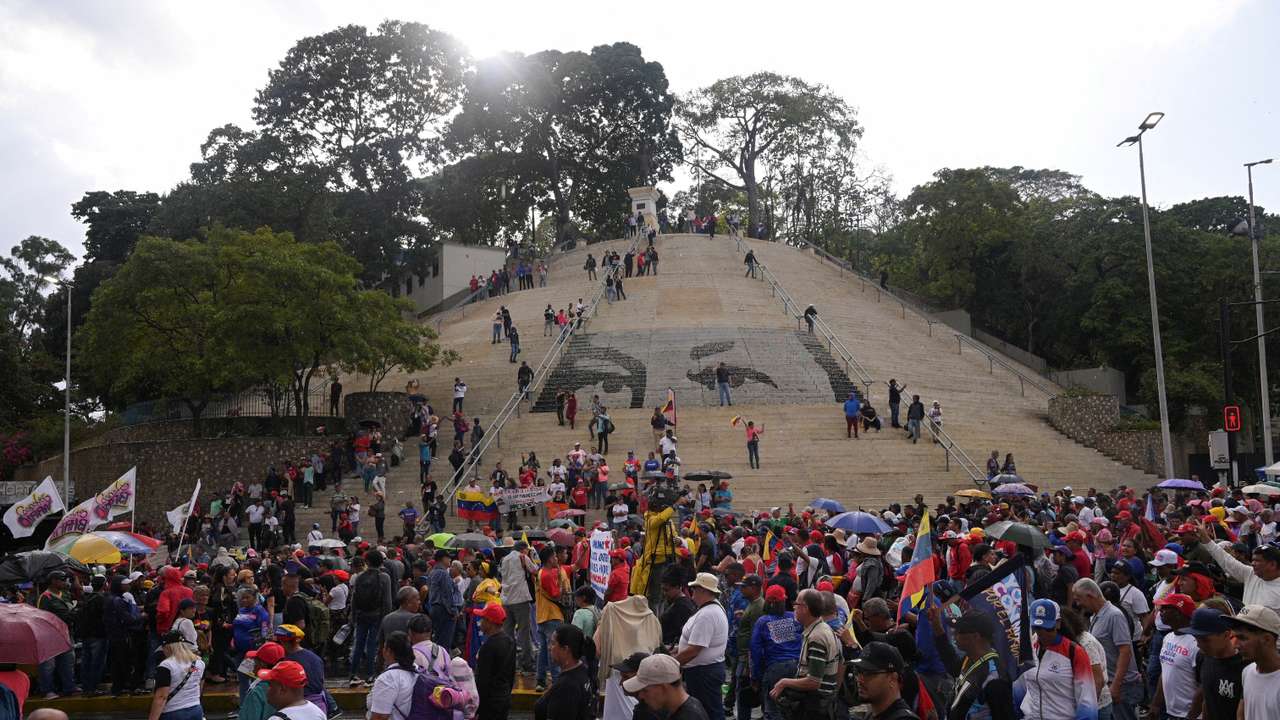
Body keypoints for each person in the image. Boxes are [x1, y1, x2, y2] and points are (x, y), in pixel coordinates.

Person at [925, 607, 1014, 720]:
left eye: (960, 631)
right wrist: (937, 627)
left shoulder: (995, 678)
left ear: (975, 636)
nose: (954, 635)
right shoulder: (971, 658)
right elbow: (952, 665)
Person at [1015, 599, 1097, 720]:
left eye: (1047, 628)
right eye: (1037, 627)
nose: (1042, 633)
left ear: (1058, 623)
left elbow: (1087, 702)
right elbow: (1018, 690)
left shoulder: (1074, 652)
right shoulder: (1028, 650)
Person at [767, 589, 840, 720]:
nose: (794, 608)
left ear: (805, 608)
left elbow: (814, 682)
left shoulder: (817, 637)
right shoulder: (818, 628)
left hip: (815, 706)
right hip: (817, 703)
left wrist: (784, 682)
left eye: (796, 604)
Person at [1074, 579, 1137, 720]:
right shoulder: (1096, 615)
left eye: (1079, 599)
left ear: (1090, 596)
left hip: (1121, 686)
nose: (1078, 604)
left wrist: (1116, 685)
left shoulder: (1114, 615)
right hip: (1109, 683)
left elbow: (1125, 651)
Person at [675, 573, 729, 720]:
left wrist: (672, 664)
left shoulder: (707, 614)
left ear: (704, 590)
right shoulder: (712, 609)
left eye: (695, 589)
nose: (692, 594)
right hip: (705, 670)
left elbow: (694, 650)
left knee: (708, 713)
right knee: (709, 711)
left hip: (703, 673)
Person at [1180, 608, 1244, 720]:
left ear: (1226, 635)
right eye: (1196, 639)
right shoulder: (1203, 657)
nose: (1199, 645)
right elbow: (1207, 699)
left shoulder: (1244, 667)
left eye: (1205, 640)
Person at [1146, 594, 1197, 720]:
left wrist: (1192, 715)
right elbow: (1165, 673)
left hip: (1191, 715)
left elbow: (1204, 685)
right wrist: (1155, 704)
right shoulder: (1168, 637)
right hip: (1171, 713)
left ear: (1179, 613)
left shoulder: (1196, 643)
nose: (1160, 612)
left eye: (1165, 608)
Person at [1225, 604, 1280, 720]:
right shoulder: (1247, 671)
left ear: (1267, 639)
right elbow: (1242, 713)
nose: (1235, 644)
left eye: (1242, 638)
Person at [350, 550, 394, 686]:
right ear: (381, 561)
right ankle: (370, 675)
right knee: (372, 645)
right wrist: (386, 618)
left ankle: (353, 675)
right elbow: (387, 601)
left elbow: (353, 599)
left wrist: (353, 617)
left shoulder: (359, 577)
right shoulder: (384, 577)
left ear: (367, 562)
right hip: (377, 615)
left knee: (358, 644)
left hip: (361, 614)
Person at [534, 624, 594, 720]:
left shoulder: (567, 686)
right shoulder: (582, 670)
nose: (549, 647)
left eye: (553, 643)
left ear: (565, 649)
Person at [624, 654, 710, 720]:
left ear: (663, 687)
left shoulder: (688, 716)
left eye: (645, 690)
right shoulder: (687, 707)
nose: (641, 696)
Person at [35, 570, 77, 699]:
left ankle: (69, 687)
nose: (65, 582)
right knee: (48, 665)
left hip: (65, 633)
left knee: (67, 662)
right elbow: (41, 617)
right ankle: (47, 690)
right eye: (62, 580)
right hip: (49, 635)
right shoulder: (45, 597)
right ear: (54, 581)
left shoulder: (65, 595)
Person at [851, 642, 919, 720]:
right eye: (858, 671)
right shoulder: (872, 715)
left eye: (868, 673)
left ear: (892, 678)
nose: (859, 679)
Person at [147, 630, 205, 720]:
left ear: (167, 647)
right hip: (196, 709)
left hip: (173, 712)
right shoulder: (199, 663)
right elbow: (199, 687)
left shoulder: (166, 666)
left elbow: (162, 696)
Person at [535, 546, 571, 691]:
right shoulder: (547, 575)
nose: (557, 559)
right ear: (550, 559)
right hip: (552, 615)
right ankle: (556, 681)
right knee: (554, 650)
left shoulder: (543, 572)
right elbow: (556, 594)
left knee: (544, 650)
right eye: (555, 557)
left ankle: (540, 680)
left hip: (543, 615)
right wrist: (562, 587)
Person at [500, 541, 538, 674]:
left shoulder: (504, 559)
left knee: (508, 633)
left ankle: (508, 663)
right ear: (523, 549)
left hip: (506, 599)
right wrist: (531, 558)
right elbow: (534, 570)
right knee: (524, 632)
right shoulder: (522, 556)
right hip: (520, 598)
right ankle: (526, 663)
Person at [259, 659, 327, 720]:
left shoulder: (277, 719)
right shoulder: (318, 712)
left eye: (270, 685)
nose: (268, 689)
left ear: (282, 689)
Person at [240, 641, 285, 720]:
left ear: (262, 664)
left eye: (255, 660)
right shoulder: (287, 684)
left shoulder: (257, 692)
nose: (252, 662)